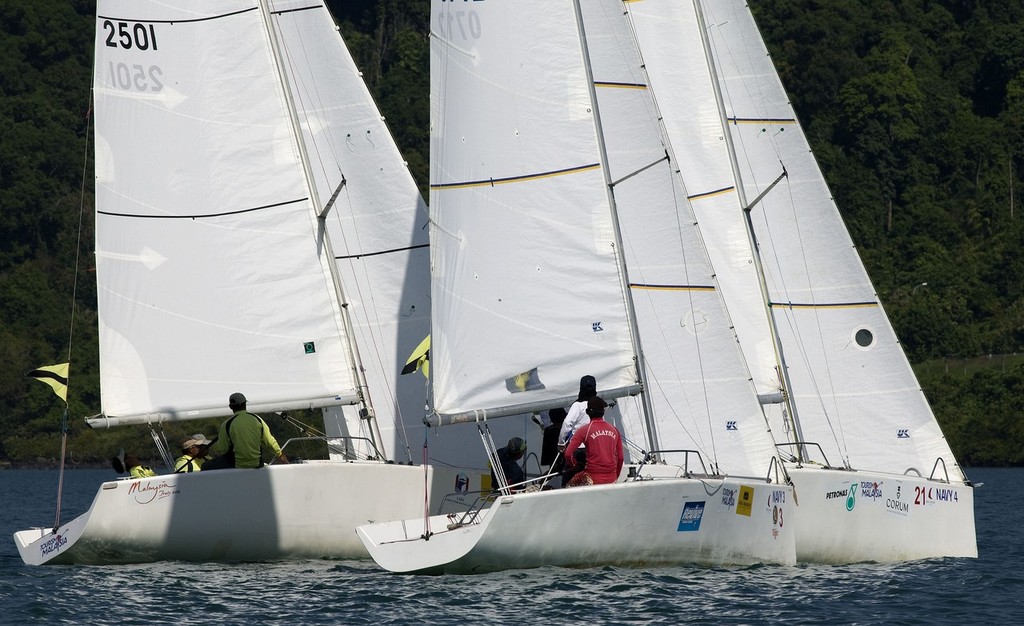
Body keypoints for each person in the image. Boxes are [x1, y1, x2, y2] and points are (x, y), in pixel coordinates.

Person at [205, 392, 289, 469]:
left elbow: (223, 449)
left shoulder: (226, 424)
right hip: (257, 465)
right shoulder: (257, 420)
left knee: (205, 466)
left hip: (235, 465)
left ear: (231, 407)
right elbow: (270, 443)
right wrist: (281, 456)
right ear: (245, 404)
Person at [563, 397, 623, 487]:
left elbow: (568, 454)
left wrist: (575, 465)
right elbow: (620, 458)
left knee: (567, 485)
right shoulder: (614, 430)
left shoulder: (584, 430)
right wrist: (615, 477)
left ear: (587, 412)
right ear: (603, 411)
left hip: (592, 477)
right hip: (612, 477)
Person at [558, 375, 597, 446]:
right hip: (595, 444)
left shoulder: (577, 405)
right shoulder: (599, 403)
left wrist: (561, 442)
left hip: (579, 445)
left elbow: (567, 423)